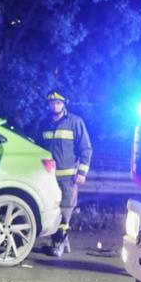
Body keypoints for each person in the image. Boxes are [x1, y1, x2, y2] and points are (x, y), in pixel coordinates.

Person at [37, 90, 92, 257]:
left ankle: (58, 245)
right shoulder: (44, 124)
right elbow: (38, 149)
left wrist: (81, 172)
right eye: (52, 103)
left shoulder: (75, 122)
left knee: (65, 210)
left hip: (68, 177)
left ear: (64, 104)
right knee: (52, 210)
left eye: (58, 103)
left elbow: (86, 149)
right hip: (49, 177)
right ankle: (62, 242)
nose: (55, 106)